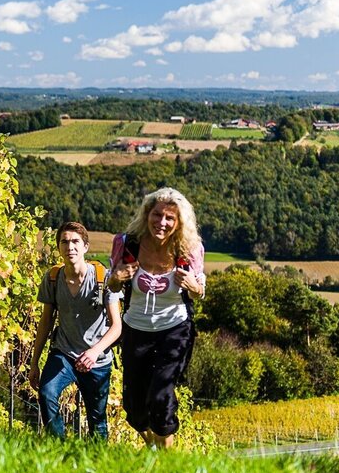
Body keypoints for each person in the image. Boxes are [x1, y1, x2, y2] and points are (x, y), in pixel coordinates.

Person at [108, 187, 206, 449]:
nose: (161, 222)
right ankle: (154, 447)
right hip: (135, 329)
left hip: (175, 330)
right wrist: (116, 278)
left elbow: (199, 291)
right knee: (135, 407)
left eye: (169, 218)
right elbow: (113, 285)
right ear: (146, 214)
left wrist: (193, 286)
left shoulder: (189, 249)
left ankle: (166, 459)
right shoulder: (127, 243)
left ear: (179, 222)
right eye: (157, 214)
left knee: (161, 396)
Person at [28, 222, 122, 439]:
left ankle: (96, 457)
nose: (70, 247)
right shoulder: (53, 278)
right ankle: (58, 447)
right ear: (59, 248)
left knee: (97, 421)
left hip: (97, 360)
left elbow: (116, 326)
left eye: (75, 242)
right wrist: (34, 363)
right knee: (46, 393)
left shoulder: (103, 278)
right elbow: (46, 322)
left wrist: (94, 352)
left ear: (85, 247)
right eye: (65, 242)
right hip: (63, 353)